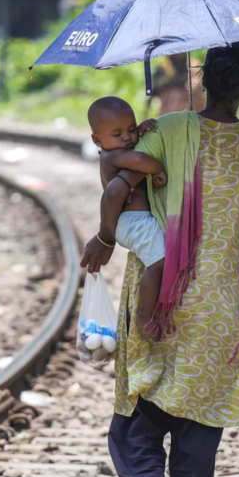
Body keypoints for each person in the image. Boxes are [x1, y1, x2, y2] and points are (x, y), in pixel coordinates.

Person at [80, 41, 239, 477]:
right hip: (219, 306)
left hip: (161, 297)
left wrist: (106, 237)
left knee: (139, 409)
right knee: (199, 436)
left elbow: (117, 184)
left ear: (202, 79)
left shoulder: (170, 130)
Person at [89, 97, 168, 337]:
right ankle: (144, 316)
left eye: (131, 130)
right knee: (159, 266)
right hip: (134, 222)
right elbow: (140, 160)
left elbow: (135, 149)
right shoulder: (112, 157)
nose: (127, 138)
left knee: (159, 263)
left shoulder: (117, 149)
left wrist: (142, 133)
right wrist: (159, 167)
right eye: (117, 134)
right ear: (97, 139)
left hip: (136, 221)